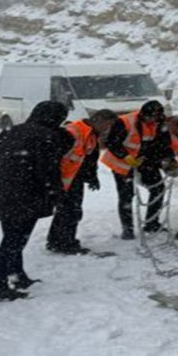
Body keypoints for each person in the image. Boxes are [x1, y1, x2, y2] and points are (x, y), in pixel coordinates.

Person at [0, 100, 70, 301]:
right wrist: (57, 194)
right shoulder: (47, 137)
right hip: (28, 196)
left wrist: (8, 173)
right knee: (14, 241)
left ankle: (17, 275)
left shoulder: (11, 131)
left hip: (4, 192)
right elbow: (48, 172)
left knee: (12, 238)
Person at [46, 109, 118, 254]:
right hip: (63, 179)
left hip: (73, 178)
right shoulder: (74, 131)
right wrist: (53, 179)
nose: (107, 129)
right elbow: (54, 155)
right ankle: (65, 243)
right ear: (99, 120)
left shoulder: (91, 134)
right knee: (70, 212)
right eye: (107, 125)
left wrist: (92, 176)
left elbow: (88, 159)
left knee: (67, 211)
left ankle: (56, 241)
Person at [101, 100, 173, 239]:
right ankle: (127, 228)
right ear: (142, 114)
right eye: (148, 117)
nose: (150, 120)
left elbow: (164, 144)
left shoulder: (161, 124)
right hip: (121, 162)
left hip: (145, 160)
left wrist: (169, 159)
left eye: (153, 118)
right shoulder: (125, 122)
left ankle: (152, 223)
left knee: (158, 189)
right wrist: (126, 157)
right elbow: (111, 143)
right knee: (126, 195)